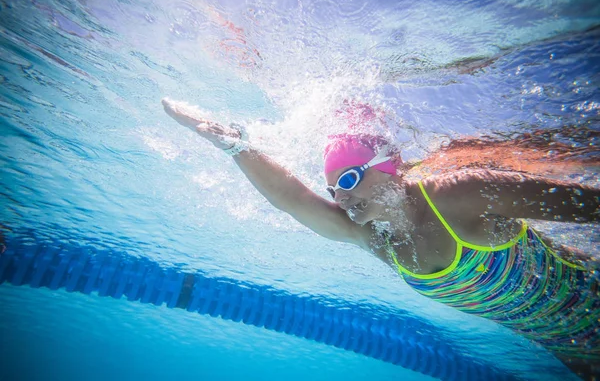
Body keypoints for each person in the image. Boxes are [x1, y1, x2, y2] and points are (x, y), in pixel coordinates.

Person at [161, 98, 600, 379]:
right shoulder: (375, 239)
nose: (342, 197)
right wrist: (231, 145)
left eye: (349, 178)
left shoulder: (459, 195)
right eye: (334, 189)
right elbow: (290, 197)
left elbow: (589, 206)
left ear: (388, 165)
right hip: (571, 350)